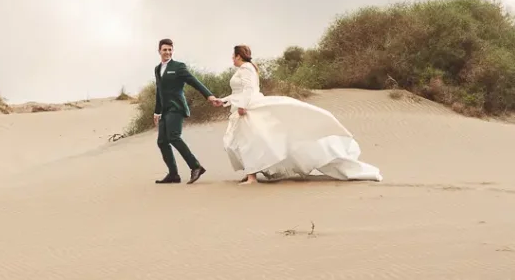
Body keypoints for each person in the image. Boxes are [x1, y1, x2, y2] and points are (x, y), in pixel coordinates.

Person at [217, 44, 382, 185]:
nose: (232, 59)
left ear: (239, 56)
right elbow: (239, 92)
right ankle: (250, 173)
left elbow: (248, 90)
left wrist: (242, 107)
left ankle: (251, 176)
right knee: (244, 141)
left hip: (249, 109)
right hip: (245, 106)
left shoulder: (245, 68)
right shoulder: (247, 68)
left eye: (233, 55)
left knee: (248, 142)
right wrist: (223, 101)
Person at [152, 38, 220, 184]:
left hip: (176, 108)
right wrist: (157, 112)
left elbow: (194, 81)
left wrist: (209, 95)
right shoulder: (157, 69)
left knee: (173, 137)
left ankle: (196, 166)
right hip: (164, 110)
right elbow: (159, 92)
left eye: (170, 49)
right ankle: (173, 175)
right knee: (162, 141)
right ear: (159, 51)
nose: (167, 52)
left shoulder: (178, 67)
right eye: (165, 50)